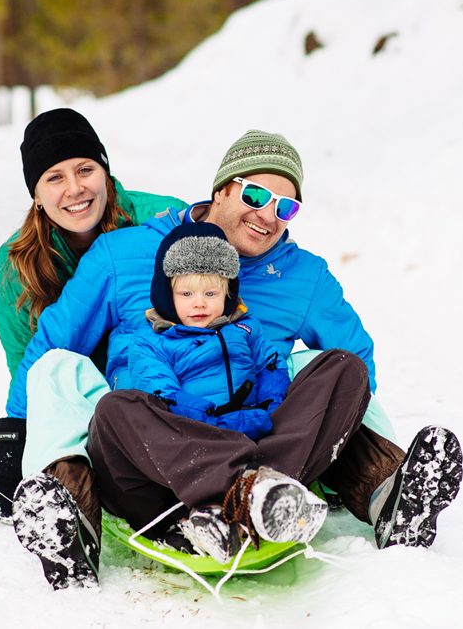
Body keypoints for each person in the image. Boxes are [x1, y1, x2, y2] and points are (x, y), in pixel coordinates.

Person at [5, 130, 463, 590]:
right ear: (222, 189)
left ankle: (386, 491)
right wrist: (14, 434)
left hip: (258, 435)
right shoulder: (122, 253)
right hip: (157, 449)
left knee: (337, 366)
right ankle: (71, 518)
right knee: (74, 378)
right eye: (256, 195)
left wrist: (317, 432)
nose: (268, 215)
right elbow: (53, 343)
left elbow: (356, 368)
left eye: (286, 207)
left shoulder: (303, 277)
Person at [0, 108, 187, 523]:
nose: (75, 189)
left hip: (165, 383)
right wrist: (17, 434)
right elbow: (31, 366)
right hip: (85, 402)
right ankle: (68, 497)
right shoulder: (15, 266)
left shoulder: (162, 221)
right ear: (36, 195)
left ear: (105, 172)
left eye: (85, 170)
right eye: (54, 178)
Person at [125, 222, 325, 563]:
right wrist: (218, 421)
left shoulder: (246, 328)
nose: (199, 304)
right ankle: (220, 509)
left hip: (257, 429)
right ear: (167, 294)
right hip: (197, 439)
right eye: (186, 294)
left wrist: (272, 406)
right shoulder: (151, 342)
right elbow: (163, 393)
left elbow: (270, 367)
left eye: (211, 294)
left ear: (227, 293)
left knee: (337, 365)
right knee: (122, 406)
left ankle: (271, 492)